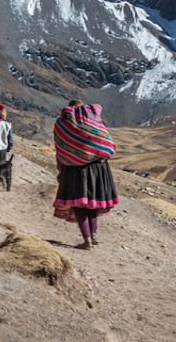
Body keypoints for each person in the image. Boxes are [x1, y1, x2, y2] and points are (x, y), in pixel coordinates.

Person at [52, 99, 119, 250]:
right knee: (92, 203)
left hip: (74, 169)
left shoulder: (62, 124)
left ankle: (87, 239)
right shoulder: (92, 121)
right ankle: (93, 235)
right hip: (98, 167)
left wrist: (61, 168)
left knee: (79, 205)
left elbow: (61, 147)